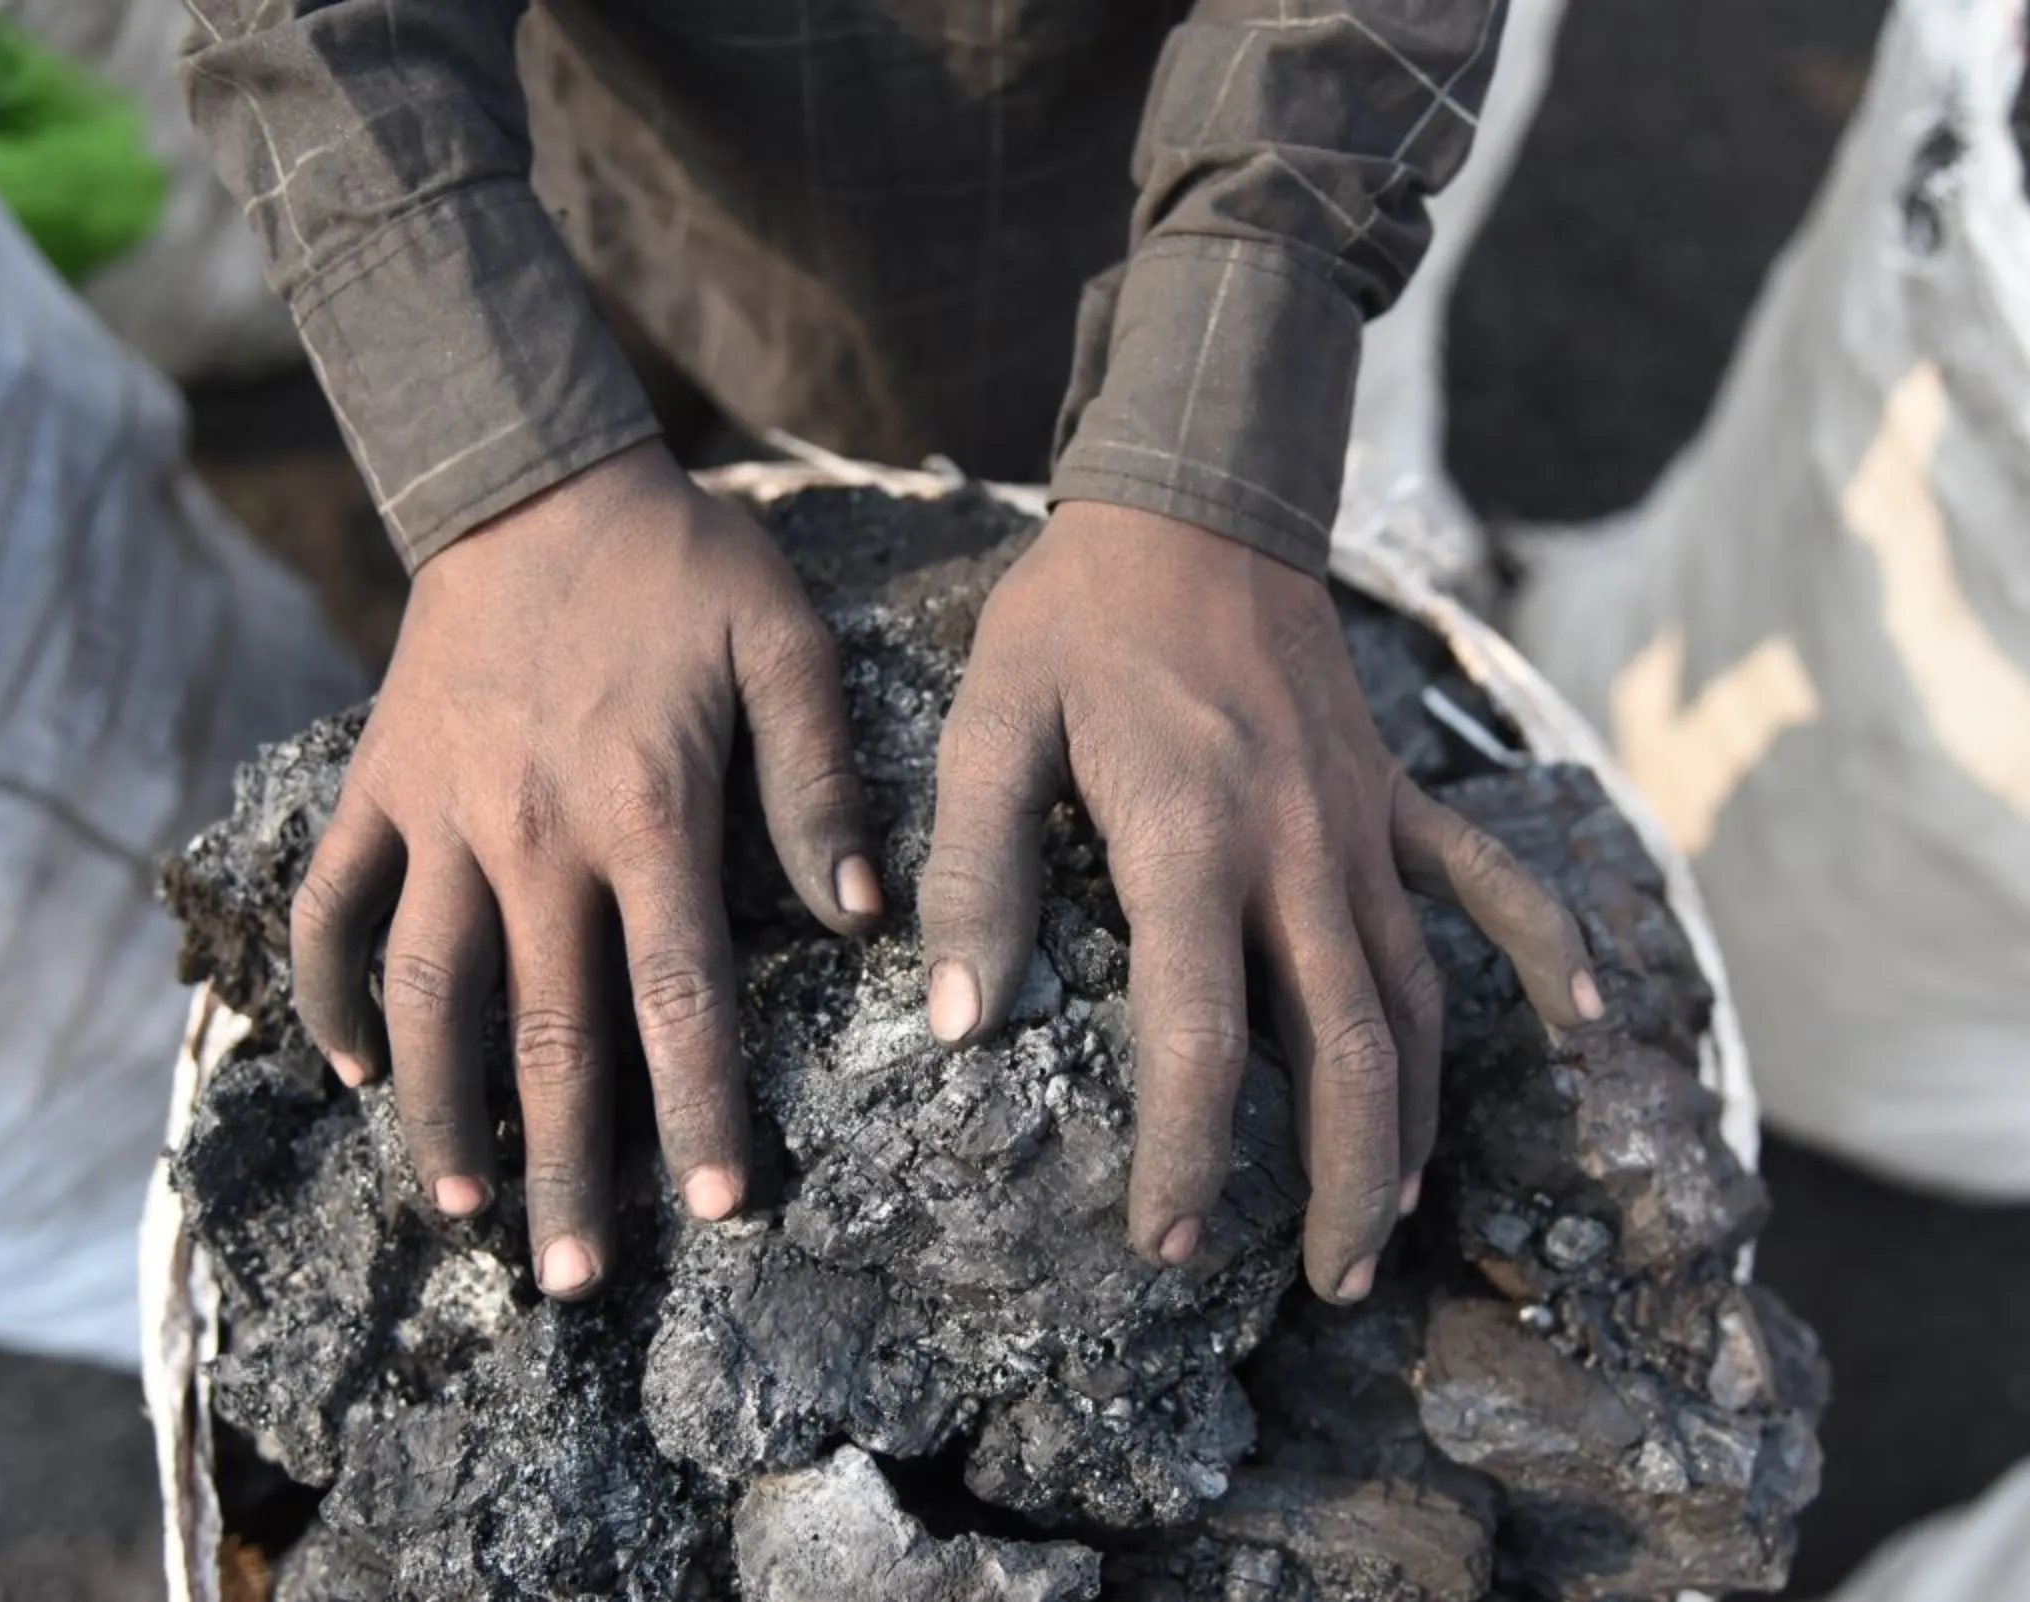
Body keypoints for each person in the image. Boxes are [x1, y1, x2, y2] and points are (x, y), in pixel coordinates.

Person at [181, 0, 1603, 1310]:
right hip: (648, 123)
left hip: (1193, 120)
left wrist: (1219, 433)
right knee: (693, 298)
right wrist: (510, 461)